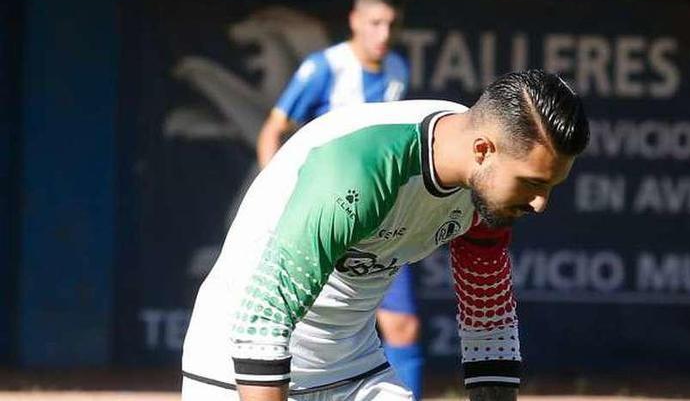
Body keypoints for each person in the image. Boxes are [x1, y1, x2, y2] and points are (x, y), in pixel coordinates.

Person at [181, 69, 590, 401]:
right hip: (238, 363)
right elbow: (264, 317)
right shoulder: (361, 169)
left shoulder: (486, 178)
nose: (540, 203)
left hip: (353, 368)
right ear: (483, 150)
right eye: (533, 183)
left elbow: (488, 315)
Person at [252, 0, 424, 397]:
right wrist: (280, 197)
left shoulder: (399, 70)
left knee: (402, 326)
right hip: (325, 218)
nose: (383, 34)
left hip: (381, 220)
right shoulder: (322, 68)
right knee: (292, 325)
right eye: (374, 23)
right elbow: (272, 131)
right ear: (354, 20)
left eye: (391, 24)